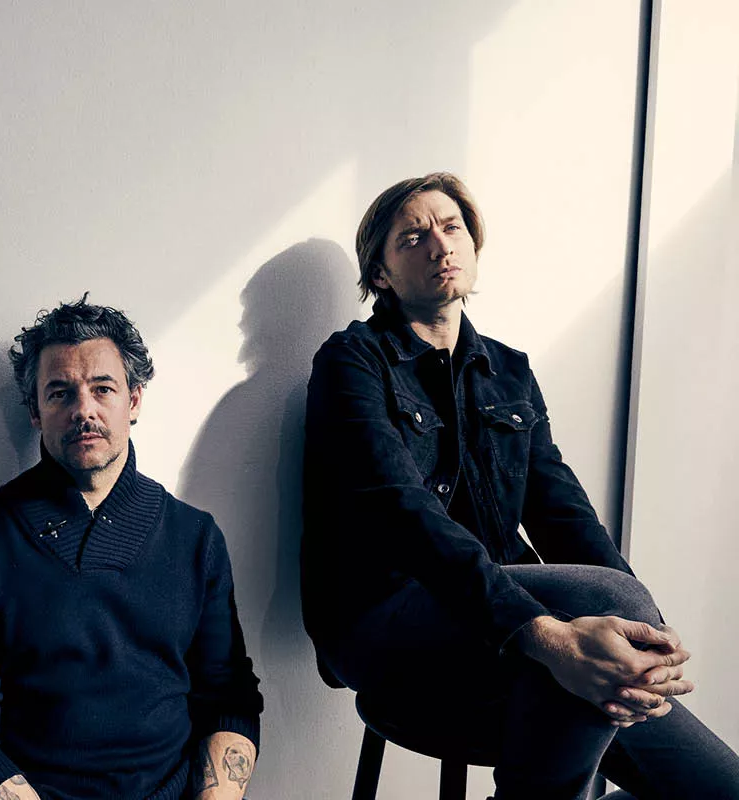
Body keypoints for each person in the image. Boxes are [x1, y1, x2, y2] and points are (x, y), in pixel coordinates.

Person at [301, 172, 739, 799]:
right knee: (600, 616)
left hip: (500, 616)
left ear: (474, 245)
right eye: (413, 238)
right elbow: (403, 513)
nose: (440, 245)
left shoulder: (509, 371)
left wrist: (648, 640)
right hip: (387, 618)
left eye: (452, 227)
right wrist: (544, 632)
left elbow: (564, 513)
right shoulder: (351, 361)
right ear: (381, 274)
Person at [0, 296, 262, 800]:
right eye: (60, 393)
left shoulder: (195, 537)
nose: (84, 410)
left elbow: (229, 698)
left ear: (134, 400)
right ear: (35, 412)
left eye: (103, 388)